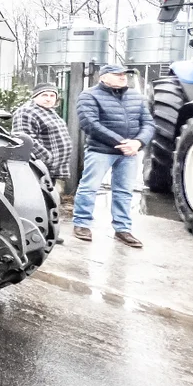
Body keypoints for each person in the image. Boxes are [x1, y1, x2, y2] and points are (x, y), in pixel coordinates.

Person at [72, 64, 155, 248]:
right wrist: (122, 142)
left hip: (130, 152)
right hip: (100, 151)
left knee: (124, 192)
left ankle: (122, 229)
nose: (122, 77)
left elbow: (148, 123)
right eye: (117, 74)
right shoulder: (89, 95)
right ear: (103, 77)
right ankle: (82, 224)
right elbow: (90, 124)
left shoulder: (136, 96)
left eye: (124, 74)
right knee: (89, 187)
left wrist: (138, 142)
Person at [12, 83, 72, 180]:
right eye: (44, 95)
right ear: (35, 96)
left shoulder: (47, 110)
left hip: (51, 169)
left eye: (52, 96)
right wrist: (48, 158)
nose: (48, 99)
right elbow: (24, 139)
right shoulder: (26, 111)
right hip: (39, 169)